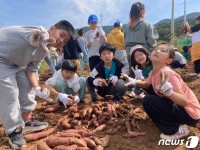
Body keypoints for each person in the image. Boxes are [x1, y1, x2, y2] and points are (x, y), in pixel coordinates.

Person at [0, 20, 74, 149]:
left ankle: (26, 120)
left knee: (26, 84)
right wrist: (44, 39)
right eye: (61, 35)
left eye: (65, 41)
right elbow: (35, 36)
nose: (62, 41)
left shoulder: (43, 50)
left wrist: (37, 88)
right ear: (52, 28)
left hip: (14, 64)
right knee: (10, 92)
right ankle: (14, 131)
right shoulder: (36, 33)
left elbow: (31, 70)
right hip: (1, 59)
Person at [123, 43, 200, 140]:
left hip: (190, 114)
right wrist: (134, 81)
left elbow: (184, 101)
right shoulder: (153, 72)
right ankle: (175, 121)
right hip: (180, 108)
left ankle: (177, 130)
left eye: (163, 50)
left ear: (169, 60)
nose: (157, 51)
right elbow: (147, 84)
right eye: (156, 49)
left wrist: (170, 92)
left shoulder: (168, 74)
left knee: (148, 100)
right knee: (150, 91)